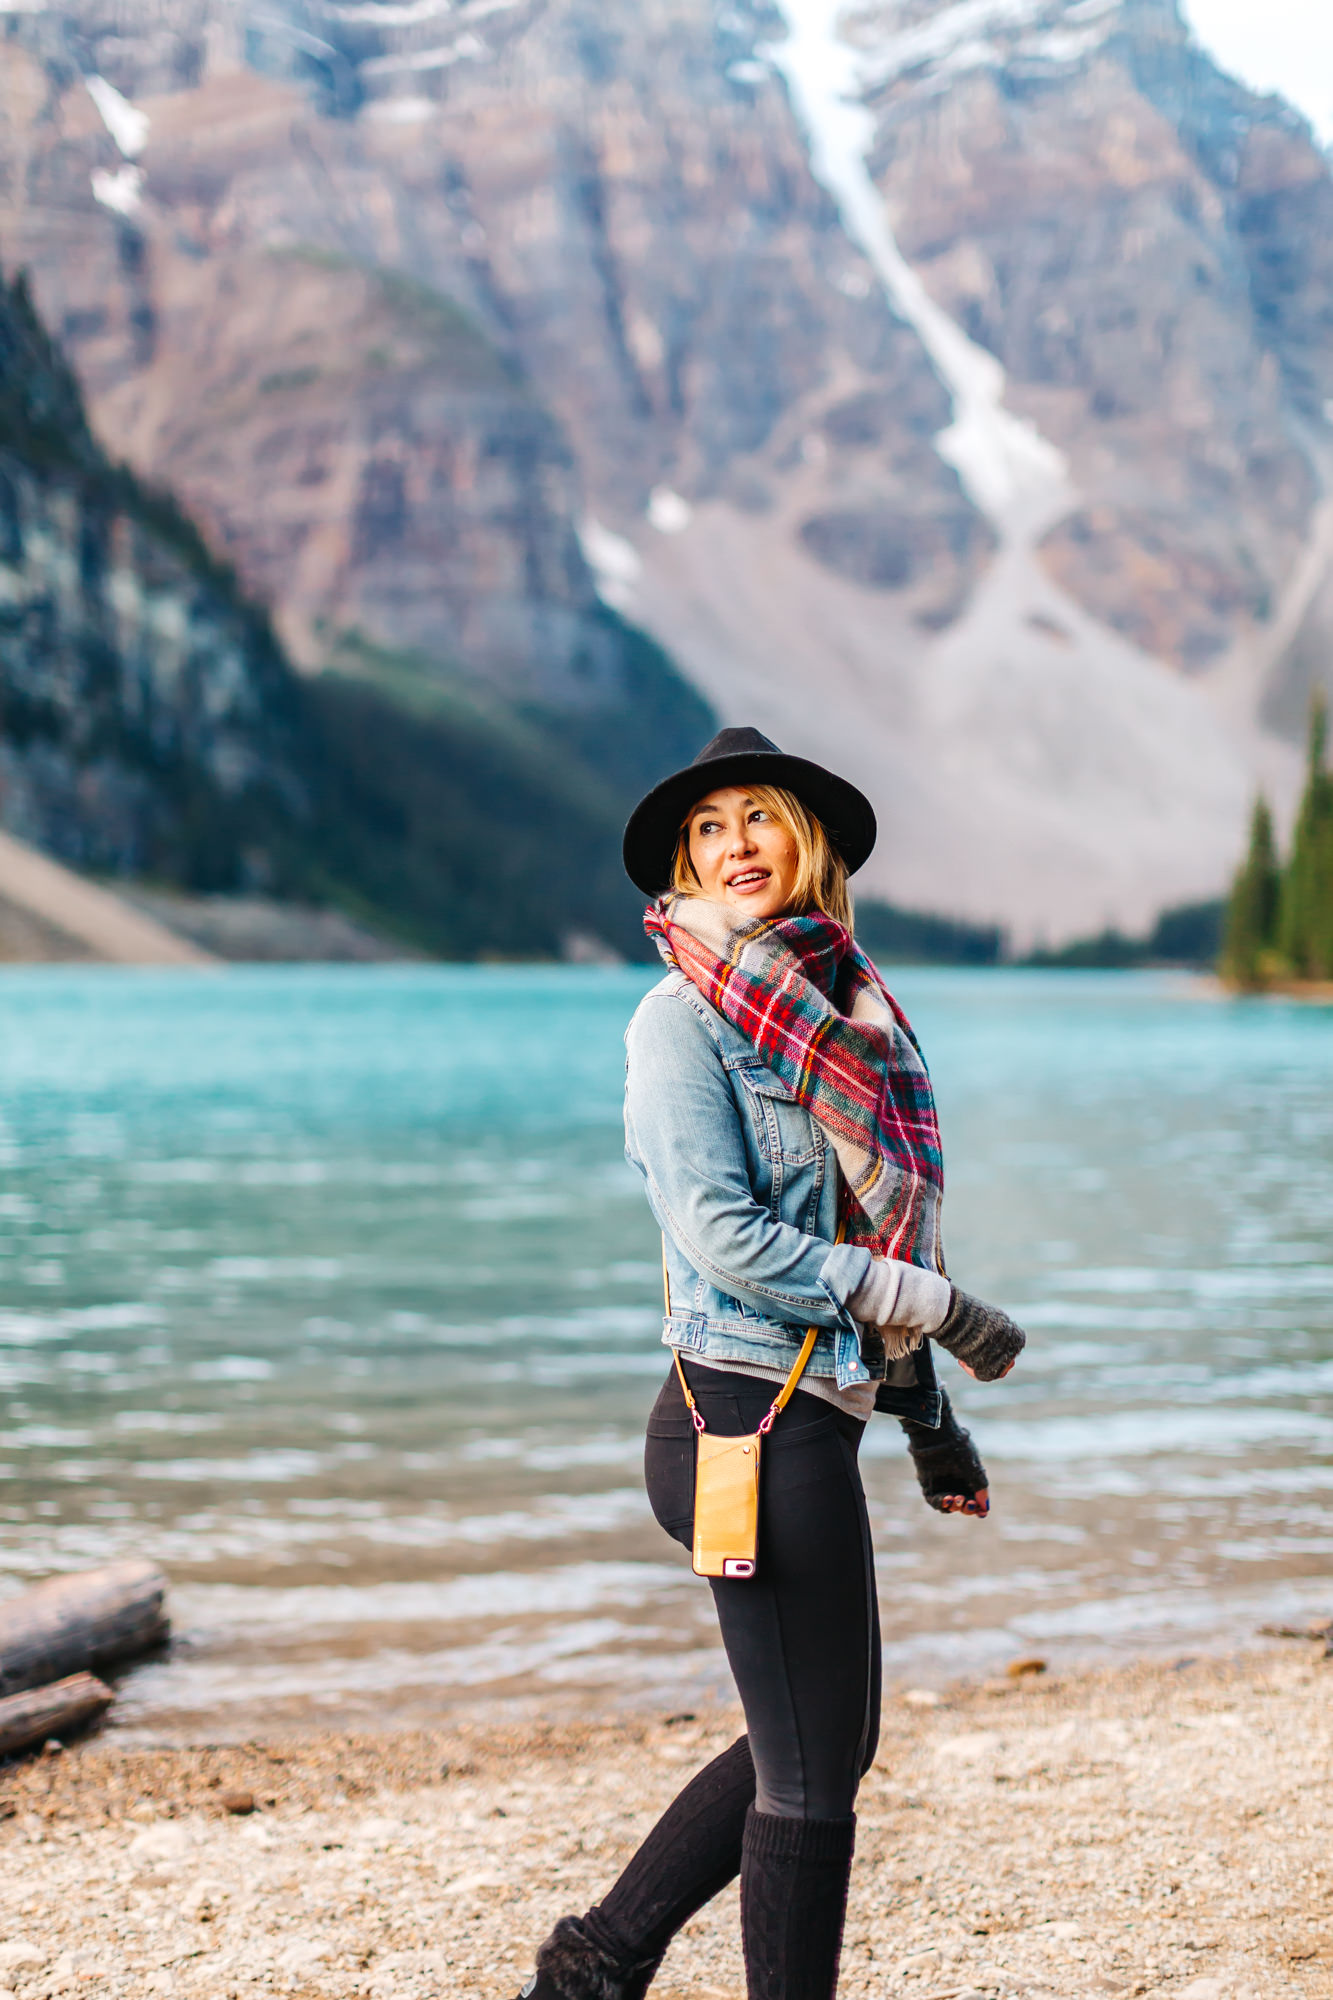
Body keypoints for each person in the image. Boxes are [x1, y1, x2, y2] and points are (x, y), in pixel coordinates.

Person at [514, 727, 1025, 2000]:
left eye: (757, 816)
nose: (733, 843)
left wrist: (928, 1423)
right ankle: (594, 1965)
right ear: (686, 861)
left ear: (807, 841)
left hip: (806, 1415)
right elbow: (726, 1238)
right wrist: (940, 1306)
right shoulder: (679, 1017)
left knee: (826, 1741)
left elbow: (870, 1232)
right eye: (707, 827)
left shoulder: (847, 1007)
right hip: (737, 1421)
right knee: (810, 1768)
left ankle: (592, 1965)